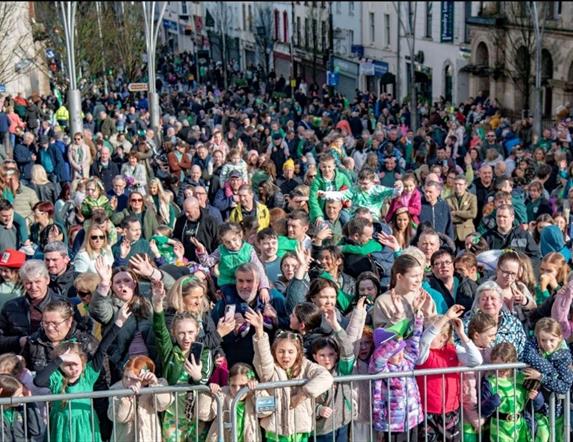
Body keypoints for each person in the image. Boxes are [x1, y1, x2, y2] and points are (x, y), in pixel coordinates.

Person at [33, 304, 130, 442]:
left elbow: (102, 349)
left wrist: (119, 322)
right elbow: (38, 381)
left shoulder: (88, 375)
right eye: (67, 365)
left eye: (75, 364)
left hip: (85, 425)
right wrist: (59, 360)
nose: (72, 368)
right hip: (62, 426)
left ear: (82, 362)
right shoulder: (57, 379)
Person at [245, 307, 334, 441]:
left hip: (299, 431)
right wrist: (259, 332)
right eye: (281, 351)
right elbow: (262, 357)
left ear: (298, 352)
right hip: (276, 433)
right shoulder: (271, 368)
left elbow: (326, 377)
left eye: (290, 352)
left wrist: (303, 393)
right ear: (274, 352)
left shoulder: (306, 365)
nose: (285, 356)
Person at [150, 279, 213, 441]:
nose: (187, 338)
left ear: (197, 331)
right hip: (173, 416)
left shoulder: (204, 353)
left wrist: (198, 377)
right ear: (174, 333)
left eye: (191, 332)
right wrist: (157, 305)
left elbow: (205, 378)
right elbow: (160, 331)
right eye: (182, 333)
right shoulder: (170, 352)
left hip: (194, 416)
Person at [415, 305, 483, 441]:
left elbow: (476, 360)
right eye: (427, 331)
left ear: (444, 336)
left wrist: (461, 334)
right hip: (428, 412)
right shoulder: (423, 353)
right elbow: (424, 341)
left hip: (451, 411)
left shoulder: (454, 350)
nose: (426, 333)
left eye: (432, 331)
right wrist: (446, 317)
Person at [369, 304, 424, 440]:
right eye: (395, 353)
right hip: (392, 424)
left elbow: (414, 343)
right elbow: (379, 357)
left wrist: (418, 321)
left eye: (401, 351)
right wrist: (395, 340)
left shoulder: (407, 361)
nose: (400, 355)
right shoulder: (381, 368)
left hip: (412, 419)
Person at [521, 318, 573, 442]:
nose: (547, 344)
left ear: (560, 338)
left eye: (552, 340)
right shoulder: (533, 347)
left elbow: (564, 386)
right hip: (537, 408)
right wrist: (553, 373)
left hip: (557, 410)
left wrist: (541, 376)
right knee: (540, 437)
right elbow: (527, 353)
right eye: (543, 340)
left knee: (557, 438)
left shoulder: (564, 357)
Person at [195, 222, 270, 307]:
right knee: (231, 300)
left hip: (246, 282)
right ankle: (236, 314)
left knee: (258, 298)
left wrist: (263, 287)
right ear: (223, 242)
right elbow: (207, 263)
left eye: (234, 240)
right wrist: (201, 251)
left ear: (240, 235)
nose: (232, 245)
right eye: (227, 242)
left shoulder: (248, 250)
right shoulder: (221, 251)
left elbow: (259, 269)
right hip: (228, 282)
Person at [311, 309, 356, 442]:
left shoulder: (342, 370)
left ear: (336, 355)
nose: (327, 359)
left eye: (331, 354)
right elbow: (305, 401)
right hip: (320, 430)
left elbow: (347, 350)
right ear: (315, 357)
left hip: (341, 424)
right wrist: (319, 409)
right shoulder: (310, 373)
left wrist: (336, 326)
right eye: (322, 355)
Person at [480, 342, 539, 442]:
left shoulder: (522, 378)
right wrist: (492, 403)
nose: (500, 371)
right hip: (499, 428)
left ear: (513, 363)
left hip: (521, 426)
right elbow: (483, 410)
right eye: (496, 368)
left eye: (504, 368)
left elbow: (536, 406)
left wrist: (537, 398)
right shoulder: (490, 382)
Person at [108, 355, 172, 442]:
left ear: (144, 379)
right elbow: (120, 418)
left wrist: (156, 386)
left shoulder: (154, 386)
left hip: (149, 437)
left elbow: (163, 405)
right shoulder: (116, 389)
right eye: (126, 377)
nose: (128, 382)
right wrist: (126, 398)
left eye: (133, 379)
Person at [200, 363, 265, 442]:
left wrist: (258, 389)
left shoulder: (253, 396)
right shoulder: (223, 394)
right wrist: (208, 393)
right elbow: (204, 415)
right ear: (228, 383)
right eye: (233, 386)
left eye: (242, 386)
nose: (237, 390)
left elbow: (265, 411)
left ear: (250, 383)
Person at [462, 281, 527, 357]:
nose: (489, 302)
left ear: (501, 302)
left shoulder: (514, 323)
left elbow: (523, 351)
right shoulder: (467, 324)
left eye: (493, 298)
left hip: (510, 367)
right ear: (478, 303)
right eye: (484, 299)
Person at [372, 254, 437, 328]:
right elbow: (380, 337)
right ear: (399, 277)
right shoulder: (383, 301)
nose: (418, 280)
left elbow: (435, 334)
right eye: (414, 276)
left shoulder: (424, 298)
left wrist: (428, 315)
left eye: (420, 275)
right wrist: (396, 318)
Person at [172, 197, 219, 262]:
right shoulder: (181, 220)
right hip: (185, 260)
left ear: (197, 208)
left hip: (205, 261)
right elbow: (176, 236)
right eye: (185, 211)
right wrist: (177, 243)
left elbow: (217, 242)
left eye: (188, 212)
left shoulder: (210, 221)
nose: (186, 214)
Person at [446, 174, 478, 248]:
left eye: (460, 184)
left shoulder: (472, 198)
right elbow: (448, 216)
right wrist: (463, 217)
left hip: (467, 233)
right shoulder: (448, 199)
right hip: (453, 234)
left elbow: (473, 214)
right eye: (456, 184)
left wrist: (456, 213)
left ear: (465, 185)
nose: (457, 186)